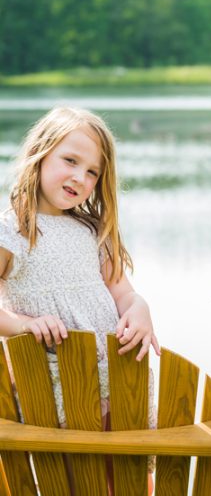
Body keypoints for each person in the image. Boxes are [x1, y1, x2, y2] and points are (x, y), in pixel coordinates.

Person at [0, 107, 159, 490]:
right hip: (58, 382)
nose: (80, 177)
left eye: (92, 172)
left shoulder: (93, 231)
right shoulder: (14, 228)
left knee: (127, 478)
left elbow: (125, 294)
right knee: (74, 480)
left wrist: (140, 310)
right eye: (70, 161)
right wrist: (24, 324)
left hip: (116, 379)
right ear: (40, 152)